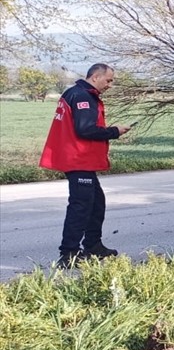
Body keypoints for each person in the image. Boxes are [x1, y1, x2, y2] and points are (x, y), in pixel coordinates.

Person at [39, 63, 132, 269]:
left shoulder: (75, 92)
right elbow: (85, 130)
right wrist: (114, 131)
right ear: (95, 77)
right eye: (108, 80)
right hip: (77, 159)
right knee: (80, 206)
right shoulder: (83, 96)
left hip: (80, 159)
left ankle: (93, 245)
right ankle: (69, 253)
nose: (110, 84)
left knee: (96, 203)